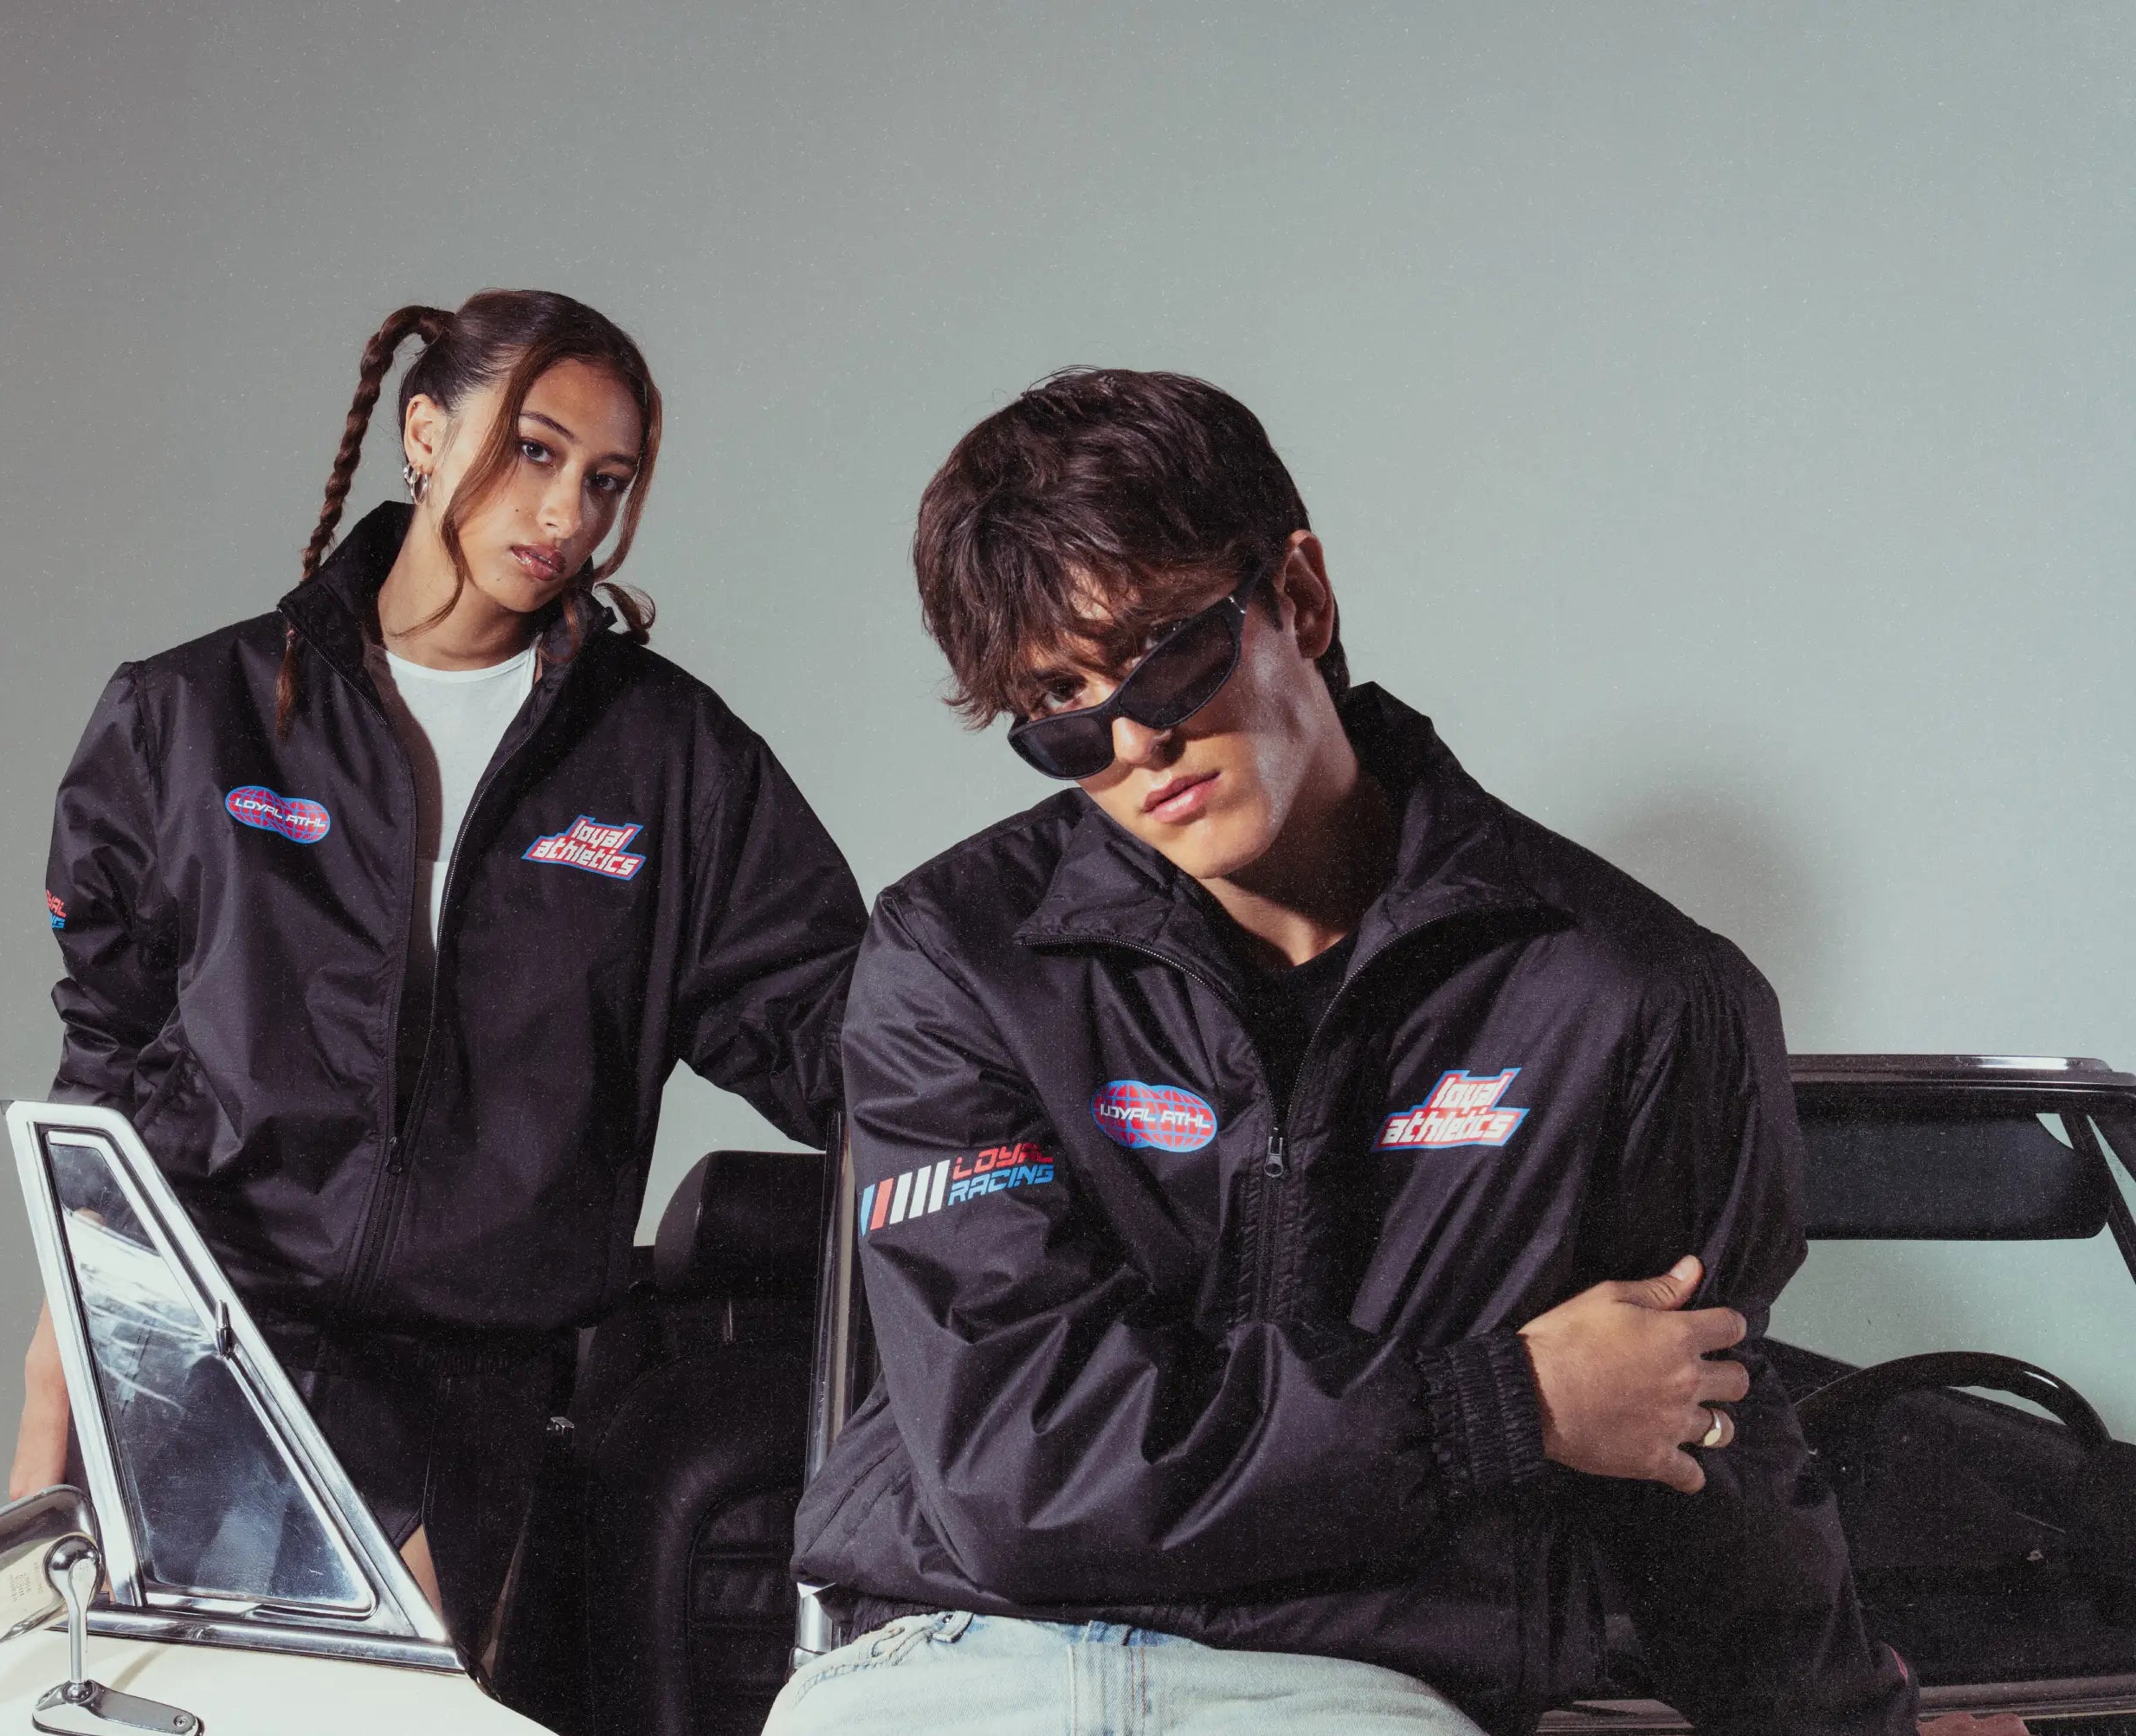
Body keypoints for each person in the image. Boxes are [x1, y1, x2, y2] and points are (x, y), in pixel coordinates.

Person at [772, 369, 1921, 1736]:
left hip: (1357, 1685)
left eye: (1167, 653)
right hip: (960, 1652)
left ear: (1301, 597)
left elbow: (1702, 1445)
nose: (1137, 740)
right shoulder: (957, 958)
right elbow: (1023, 1463)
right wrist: (1510, 1400)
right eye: (1062, 704)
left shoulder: (1633, 996)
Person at [10, 290, 865, 1667]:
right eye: (534, 450)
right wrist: (66, 1340)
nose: (567, 513)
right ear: (423, 431)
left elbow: (837, 1032)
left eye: (606, 481)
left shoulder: (667, 762)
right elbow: (106, 1055)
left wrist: (1046, 1085)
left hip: (480, 1389)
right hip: (204, 1346)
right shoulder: (194, 715)